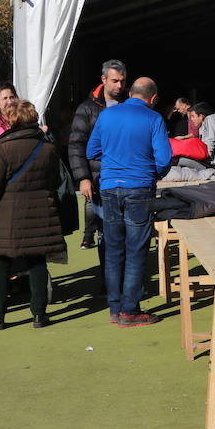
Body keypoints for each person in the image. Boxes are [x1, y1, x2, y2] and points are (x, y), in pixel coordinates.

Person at [86, 77, 172, 327]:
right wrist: (150, 171)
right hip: (139, 187)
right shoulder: (153, 118)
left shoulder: (107, 115)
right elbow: (165, 158)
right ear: (153, 98)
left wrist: (116, 157)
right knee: (136, 250)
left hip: (110, 188)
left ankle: (115, 308)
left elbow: (91, 151)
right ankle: (130, 309)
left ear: (130, 92)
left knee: (113, 249)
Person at [0, 100, 65, 329]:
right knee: (36, 263)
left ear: (12, 120)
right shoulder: (48, 149)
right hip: (40, 212)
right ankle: (38, 314)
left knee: (0, 265)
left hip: (6, 214)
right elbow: (55, 182)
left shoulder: (3, 149)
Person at [68, 59, 128, 250]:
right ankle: (108, 277)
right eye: (115, 81)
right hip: (98, 178)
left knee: (126, 234)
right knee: (106, 235)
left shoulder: (130, 106)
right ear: (104, 79)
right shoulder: (86, 109)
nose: (119, 86)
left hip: (126, 178)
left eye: (122, 81)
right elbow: (76, 145)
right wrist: (83, 177)